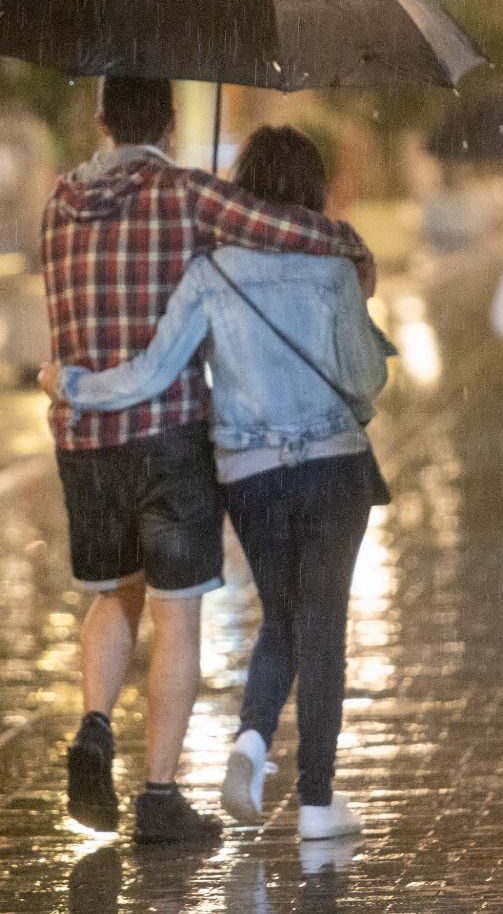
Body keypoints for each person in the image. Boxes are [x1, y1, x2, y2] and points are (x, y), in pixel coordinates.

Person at [42, 125, 393, 842]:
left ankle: (191, 735)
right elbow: (365, 381)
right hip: (319, 465)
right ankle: (294, 799)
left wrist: (71, 385)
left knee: (257, 611)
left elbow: (153, 370)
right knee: (310, 624)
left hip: (239, 475)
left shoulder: (201, 268)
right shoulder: (326, 264)